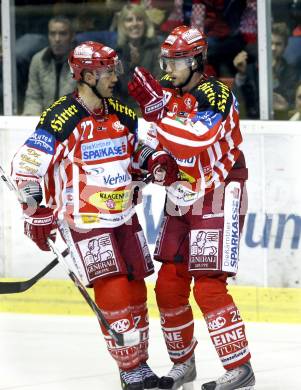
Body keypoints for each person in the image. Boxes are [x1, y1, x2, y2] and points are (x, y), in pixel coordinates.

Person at [11, 40, 177, 390]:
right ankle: (128, 368)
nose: (113, 77)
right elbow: (27, 165)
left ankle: (140, 364)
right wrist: (36, 209)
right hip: (84, 221)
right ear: (84, 75)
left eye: (113, 69)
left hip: (124, 216)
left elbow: (139, 149)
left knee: (134, 290)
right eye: (105, 71)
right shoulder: (62, 116)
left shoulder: (120, 111)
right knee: (114, 290)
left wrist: (154, 161)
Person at [128, 25, 256, 389]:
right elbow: (153, 140)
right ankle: (183, 364)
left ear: (198, 60)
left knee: (208, 286)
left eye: (179, 61)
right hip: (181, 196)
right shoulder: (167, 92)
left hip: (219, 189)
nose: (170, 68)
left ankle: (240, 367)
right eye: (167, 60)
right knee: (168, 286)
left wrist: (157, 113)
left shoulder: (216, 93)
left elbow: (193, 138)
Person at [23, 16, 76, 115]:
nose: (57, 39)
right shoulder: (38, 60)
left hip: (74, 122)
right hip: (45, 122)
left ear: (72, 36)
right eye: (52, 34)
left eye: (63, 34)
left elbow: (87, 101)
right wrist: (32, 122)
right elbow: (33, 98)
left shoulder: (82, 62)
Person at [114, 3, 161, 108]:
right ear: (122, 25)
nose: (135, 24)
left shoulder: (155, 49)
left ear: (145, 23)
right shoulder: (117, 53)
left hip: (152, 107)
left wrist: (137, 66)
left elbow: (157, 86)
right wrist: (133, 66)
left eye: (139, 19)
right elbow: (123, 90)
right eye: (129, 20)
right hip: (126, 109)